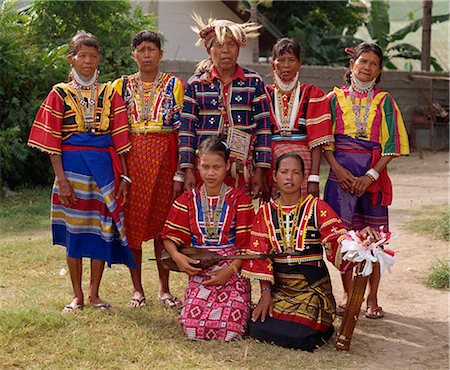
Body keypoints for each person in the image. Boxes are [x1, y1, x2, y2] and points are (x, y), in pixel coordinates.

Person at [28, 31, 135, 312]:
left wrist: (124, 176)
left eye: (93, 56)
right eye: (82, 55)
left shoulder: (110, 93)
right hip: (71, 170)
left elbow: (120, 138)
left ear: (98, 59)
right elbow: (52, 143)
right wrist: (61, 180)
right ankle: (76, 294)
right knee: (75, 230)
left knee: (100, 228)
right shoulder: (58, 93)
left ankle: (94, 293)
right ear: (71, 59)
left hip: (104, 168)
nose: (88, 61)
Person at [241, 153, 380, 351]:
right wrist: (265, 293)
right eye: (284, 172)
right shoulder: (264, 213)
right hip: (281, 291)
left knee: (299, 335)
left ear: (304, 178)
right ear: (274, 177)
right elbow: (260, 256)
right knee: (256, 328)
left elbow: (338, 238)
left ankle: (318, 325)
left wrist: (359, 241)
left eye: (296, 172)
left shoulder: (317, 207)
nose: (289, 177)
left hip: (312, 291)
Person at [323, 42, 409, 319]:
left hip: (371, 179)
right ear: (351, 65)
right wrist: (337, 170)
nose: (367, 67)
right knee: (345, 239)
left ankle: (372, 295)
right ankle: (350, 294)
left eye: (374, 63)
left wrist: (370, 175)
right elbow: (325, 142)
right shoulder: (333, 100)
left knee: (373, 239)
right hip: (340, 179)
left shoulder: (385, 102)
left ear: (379, 70)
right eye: (363, 61)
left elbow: (392, 144)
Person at [112, 30, 184, 308]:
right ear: (133, 55)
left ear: (160, 54)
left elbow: (181, 130)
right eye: (141, 50)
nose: (146, 55)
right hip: (133, 162)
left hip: (165, 159)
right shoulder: (121, 86)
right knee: (133, 226)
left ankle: (164, 289)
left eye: (151, 50)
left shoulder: (175, 84)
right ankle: (137, 289)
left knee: (162, 226)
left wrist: (179, 170)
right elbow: (116, 129)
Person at [161, 136, 254, 341]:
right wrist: (177, 257)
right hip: (201, 267)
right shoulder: (188, 199)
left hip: (232, 269)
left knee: (229, 331)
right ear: (198, 166)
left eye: (217, 167)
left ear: (227, 166)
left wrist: (229, 271)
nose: (210, 173)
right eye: (205, 166)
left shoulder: (240, 199)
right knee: (193, 328)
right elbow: (169, 236)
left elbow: (247, 245)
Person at [178, 14, 272, 199]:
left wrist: (260, 171)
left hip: (241, 169)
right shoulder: (196, 84)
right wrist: (187, 169)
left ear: (238, 49)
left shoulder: (253, 82)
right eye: (219, 45)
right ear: (209, 50)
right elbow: (187, 130)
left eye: (231, 45)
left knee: (239, 218)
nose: (225, 51)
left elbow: (263, 129)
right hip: (206, 169)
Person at [266, 38, 333, 198]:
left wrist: (314, 177)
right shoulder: (264, 94)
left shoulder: (312, 94)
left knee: (303, 213)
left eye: (291, 60)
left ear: (300, 63)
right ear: (273, 64)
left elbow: (317, 141)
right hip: (273, 163)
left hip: (304, 164)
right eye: (281, 60)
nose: (286, 65)